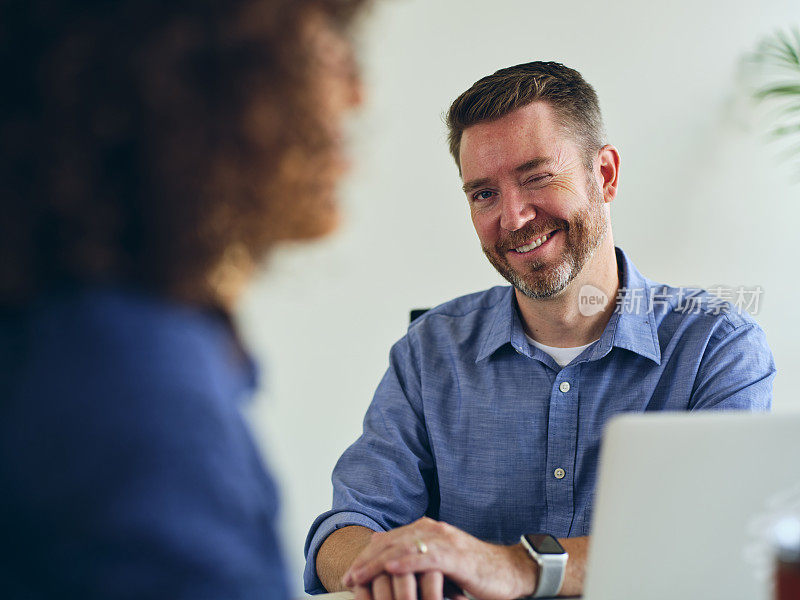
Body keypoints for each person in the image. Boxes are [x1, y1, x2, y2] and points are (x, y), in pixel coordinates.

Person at [304, 62, 776, 599]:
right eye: (483, 194)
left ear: (605, 175)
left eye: (537, 177)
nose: (513, 217)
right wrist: (380, 571)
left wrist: (515, 566)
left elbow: (715, 541)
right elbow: (347, 524)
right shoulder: (429, 350)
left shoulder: (717, 345)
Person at [0, 0, 367, 597]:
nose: (356, 96)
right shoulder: (123, 378)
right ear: (186, 73)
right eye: (320, 45)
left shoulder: (78, 334)